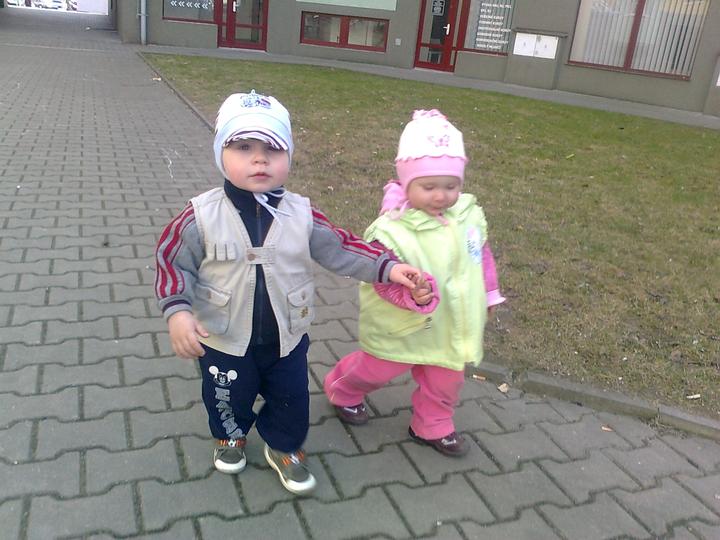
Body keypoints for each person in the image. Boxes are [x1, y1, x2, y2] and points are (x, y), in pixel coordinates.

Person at [154, 91, 422, 494]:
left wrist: (387, 266)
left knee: (291, 397)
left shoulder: (301, 213)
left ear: (289, 156)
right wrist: (178, 312)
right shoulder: (200, 216)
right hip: (223, 338)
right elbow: (172, 262)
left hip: (287, 337)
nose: (259, 160)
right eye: (244, 147)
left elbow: (341, 247)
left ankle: (283, 445)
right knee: (227, 394)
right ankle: (230, 435)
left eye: (272, 149)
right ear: (220, 153)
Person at [323, 109, 506, 457]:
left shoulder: (467, 218)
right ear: (407, 183)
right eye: (429, 187)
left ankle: (433, 423)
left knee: (445, 379)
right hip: (403, 324)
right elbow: (380, 277)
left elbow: (480, 258)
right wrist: (412, 295)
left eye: (451, 186)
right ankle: (342, 388)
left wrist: (489, 294)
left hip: (449, 325)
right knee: (377, 369)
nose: (441, 196)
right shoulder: (391, 230)